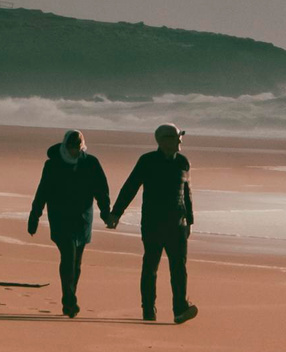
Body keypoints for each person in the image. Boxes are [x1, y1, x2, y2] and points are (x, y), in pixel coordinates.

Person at [110, 122, 196, 324]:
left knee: (179, 268)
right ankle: (148, 309)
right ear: (164, 140)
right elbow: (130, 187)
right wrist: (116, 213)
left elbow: (187, 193)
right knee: (151, 266)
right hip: (153, 223)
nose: (180, 141)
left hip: (178, 224)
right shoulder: (147, 161)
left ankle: (180, 309)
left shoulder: (183, 162)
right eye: (177, 137)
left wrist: (190, 220)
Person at [26, 129, 111, 318]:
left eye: (77, 147)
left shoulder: (90, 163)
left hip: (83, 219)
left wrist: (106, 213)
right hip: (60, 218)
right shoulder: (53, 165)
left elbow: (101, 190)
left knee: (77, 263)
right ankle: (69, 301)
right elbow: (43, 192)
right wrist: (34, 217)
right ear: (65, 145)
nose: (74, 151)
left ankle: (69, 297)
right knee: (68, 256)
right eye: (71, 147)